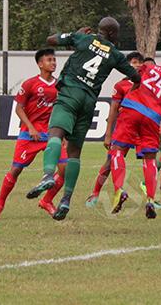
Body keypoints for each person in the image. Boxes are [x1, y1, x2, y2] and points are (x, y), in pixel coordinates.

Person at [25, 17, 140, 221]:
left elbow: (50, 40)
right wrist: (131, 91)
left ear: (100, 30)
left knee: (55, 133)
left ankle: (48, 175)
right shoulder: (115, 54)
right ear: (112, 34)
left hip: (70, 93)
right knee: (75, 153)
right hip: (88, 102)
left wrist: (75, 34)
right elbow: (136, 77)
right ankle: (66, 199)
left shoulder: (84, 38)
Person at [107, 47, 161, 218]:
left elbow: (135, 80)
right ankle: (150, 199)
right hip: (152, 116)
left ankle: (118, 190)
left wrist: (131, 97)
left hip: (132, 108)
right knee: (150, 157)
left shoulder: (149, 67)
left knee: (118, 150)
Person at [0, 49, 68, 221]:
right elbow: (18, 108)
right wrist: (31, 127)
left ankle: (46, 201)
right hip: (29, 134)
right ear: (40, 64)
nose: (53, 63)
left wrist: (64, 135)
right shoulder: (30, 84)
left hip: (52, 134)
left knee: (65, 170)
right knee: (16, 170)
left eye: (54, 60)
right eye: (49, 60)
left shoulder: (60, 85)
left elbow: (61, 110)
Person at [85, 52, 146, 208]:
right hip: (125, 129)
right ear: (126, 66)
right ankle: (95, 194)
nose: (138, 65)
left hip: (144, 130)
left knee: (150, 161)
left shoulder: (149, 84)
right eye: (134, 62)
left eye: (140, 62)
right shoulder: (121, 85)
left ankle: (151, 200)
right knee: (110, 161)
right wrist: (108, 134)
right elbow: (113, 110)